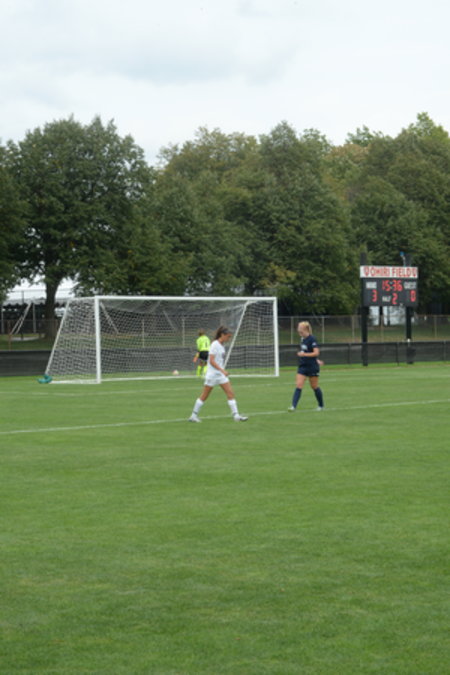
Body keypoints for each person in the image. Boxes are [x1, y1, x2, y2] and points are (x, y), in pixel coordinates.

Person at [189, 326, 248, 423]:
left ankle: (236, 416)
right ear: (222, 335)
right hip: (212, 375)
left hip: (220, 375)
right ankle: (193, 416)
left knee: (230, 393)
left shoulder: (222, 346)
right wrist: (222, 370)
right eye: (228, 336)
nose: (229, 339)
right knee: (204, 395)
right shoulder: (214, 344)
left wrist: (222, 372)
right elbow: (211, 361)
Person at [288, 321, 324, 412]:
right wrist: (307, 356)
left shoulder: (312, 339)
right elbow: (307, 351)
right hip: (303, 366)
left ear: (306, 329)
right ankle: (293, 406)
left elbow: (316, 352)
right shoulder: (302, 339)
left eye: (300, 328)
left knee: (314, 386)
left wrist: (306, 355)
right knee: (299, 385)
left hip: (312, 367)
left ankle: (321, 405)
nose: (298, 330)